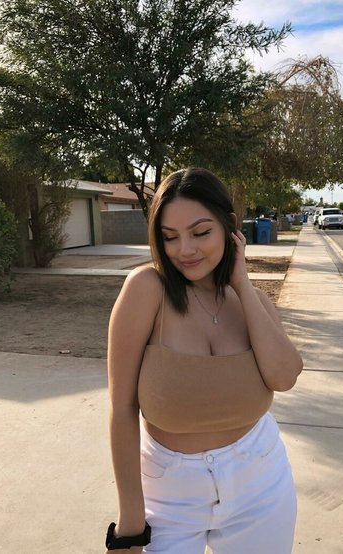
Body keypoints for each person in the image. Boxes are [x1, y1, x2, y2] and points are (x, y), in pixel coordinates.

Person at [105, 168, 303, 554]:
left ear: (229, 228)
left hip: (260, 481)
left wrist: (242, 284)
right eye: (170, 237)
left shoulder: (251, 300)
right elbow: (121, 408)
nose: (185, 250)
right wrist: (130, 522)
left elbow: (284, 377)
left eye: (200, 232)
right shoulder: (146, 290)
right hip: (169, 492)